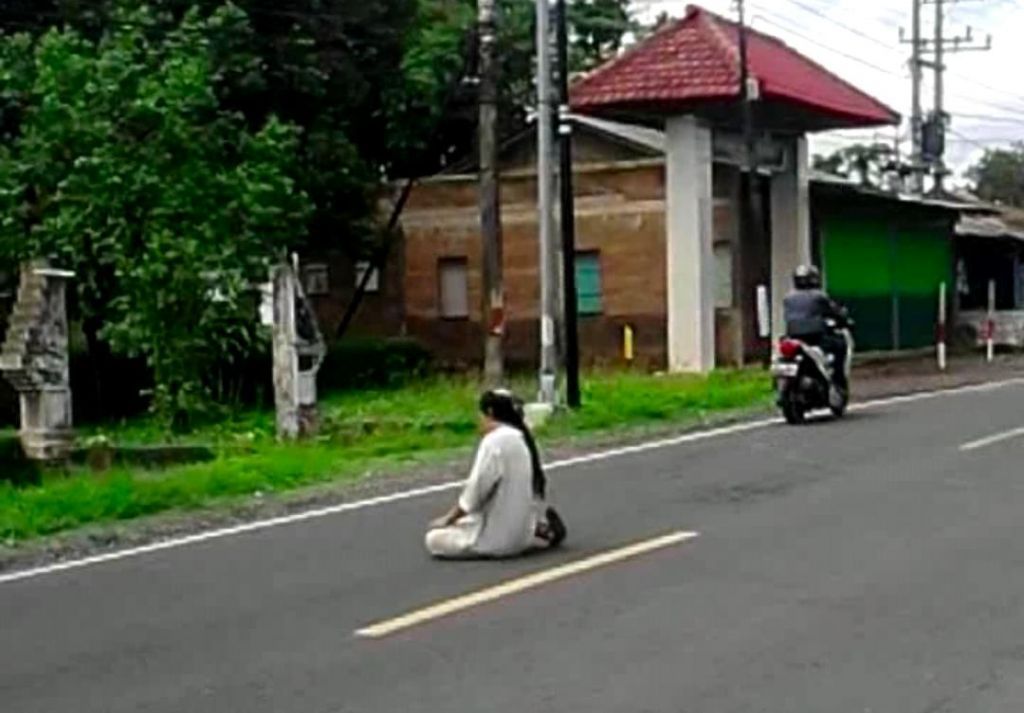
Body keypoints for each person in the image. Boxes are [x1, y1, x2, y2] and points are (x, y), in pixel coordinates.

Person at [425, 389, 567, 559]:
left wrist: (449, 518)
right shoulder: (524, 439)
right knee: (470, 521)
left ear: (490, 412)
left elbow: (475, 492)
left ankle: (530, 530)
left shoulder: (494, 441)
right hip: (523, 537)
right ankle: (540, 529)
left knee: (433, 539)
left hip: (496, 542)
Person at [783, 265, 851, 389]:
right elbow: (834, 312)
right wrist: (844, 320)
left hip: (793, 336)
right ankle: (838, 379)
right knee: (840, 345)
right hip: (815, 337)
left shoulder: (788, 298)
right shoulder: (819, 296)